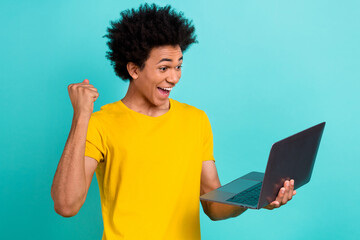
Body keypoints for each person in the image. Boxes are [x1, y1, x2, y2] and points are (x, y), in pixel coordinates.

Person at [51, 3, 296, 240]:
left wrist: (255, 199)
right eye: (164, 68)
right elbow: (66, 205)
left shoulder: (195, 120)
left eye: (178, 66)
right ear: (134, 70)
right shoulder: (101, 123)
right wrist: (81, 116)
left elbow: (212, 205)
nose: (174, 77)